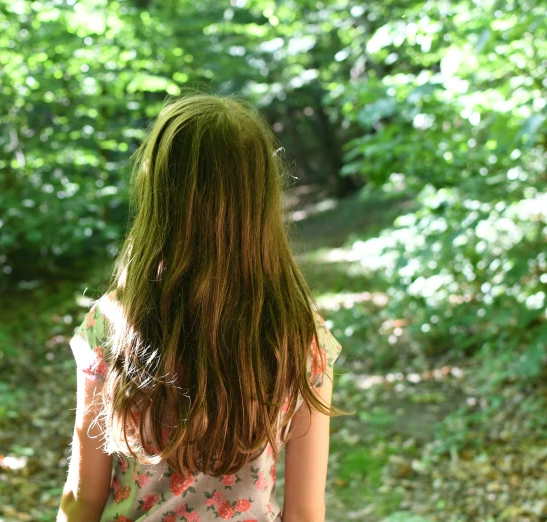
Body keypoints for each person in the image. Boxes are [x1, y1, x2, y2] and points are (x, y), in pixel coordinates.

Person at [57, 94, 349, 522]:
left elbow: (83, 498)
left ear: (158, 196)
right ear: (261, 200)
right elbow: (305, 512)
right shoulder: (300, 335)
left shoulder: (112, 325)